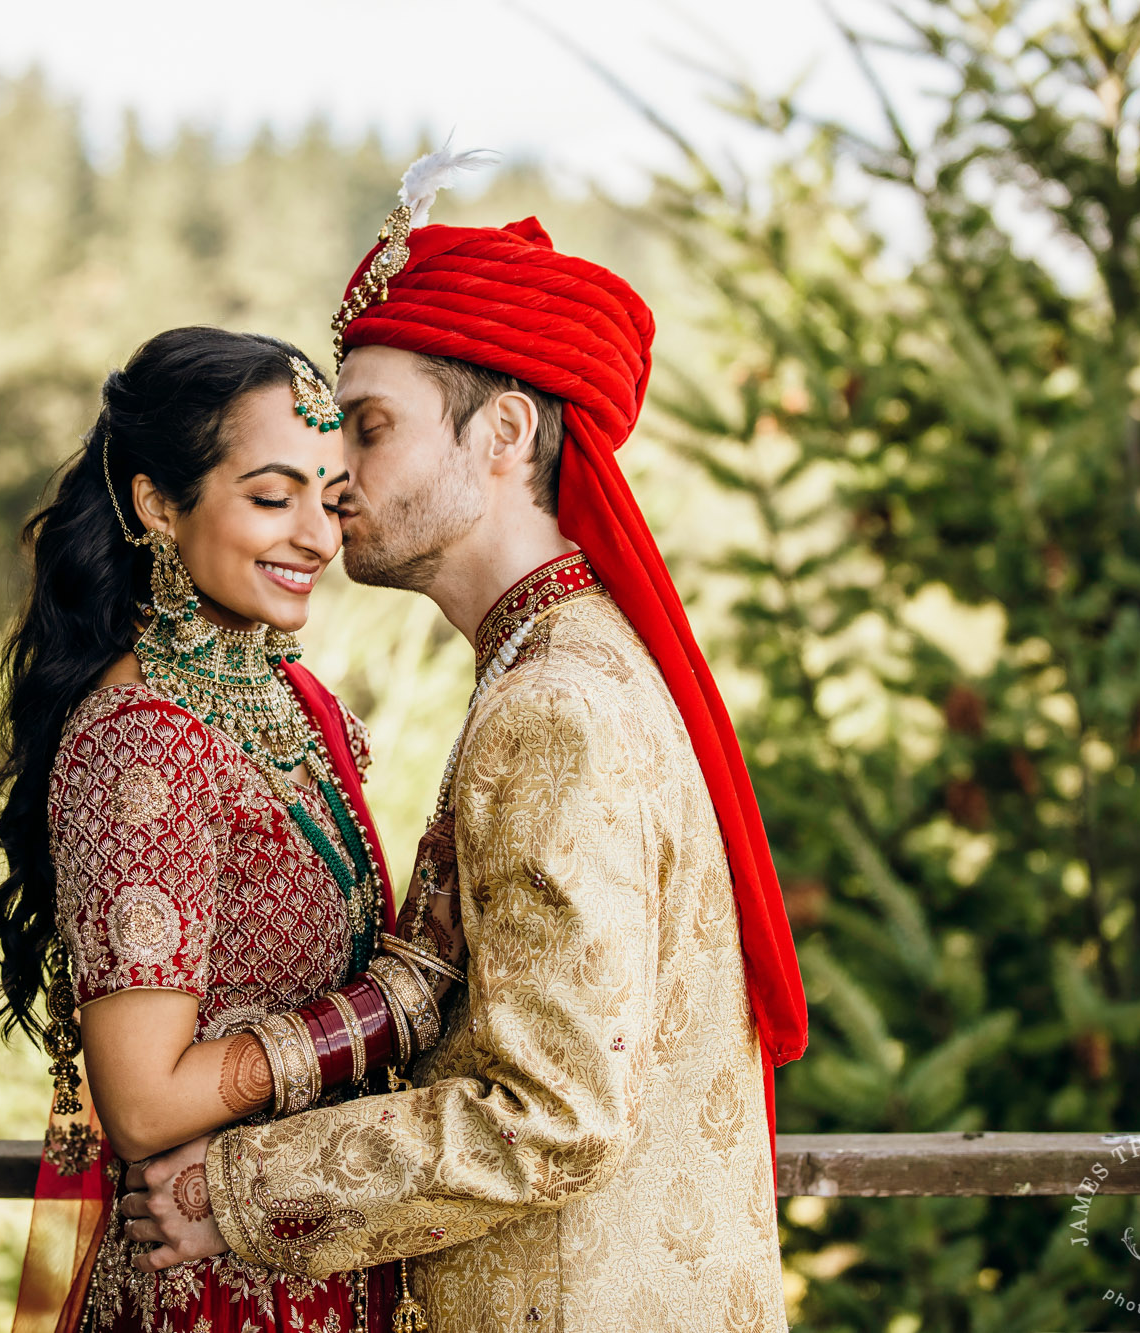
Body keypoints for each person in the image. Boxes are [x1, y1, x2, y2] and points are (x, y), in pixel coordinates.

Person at [118, 154, 811, 1331]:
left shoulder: (555, 707)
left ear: (502, 431)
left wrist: (236, 1188)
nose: (333, 481)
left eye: (370, 430)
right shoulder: (559, 665)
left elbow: (551, 1112)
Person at [0, 326, 416, 1333]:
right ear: (155, 505)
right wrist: (380, 1012)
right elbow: (139, 1104)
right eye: (271, 497)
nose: (315, 536)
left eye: (329, 495)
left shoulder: (295, 705)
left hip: (318, 1251)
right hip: (204, 1290)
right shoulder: (140, 743)